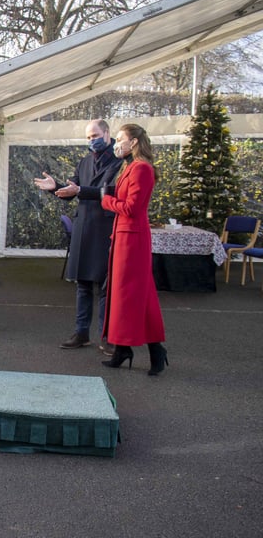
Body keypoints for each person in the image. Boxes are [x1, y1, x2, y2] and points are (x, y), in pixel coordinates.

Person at [34, 119, 122, 352]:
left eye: (95, 135)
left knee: (106, 286)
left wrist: (81, 190)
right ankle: (81, 332)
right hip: (84, 227)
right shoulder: (84, 162)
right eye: (88, 137)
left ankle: (107, 336)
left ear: (107, 133)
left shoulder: (119, 162)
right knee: (82, 284)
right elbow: (72, 191)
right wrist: (55, 187)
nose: (91, 140)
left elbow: (112, 191)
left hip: (106, 228)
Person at [98, 124, 168, 375]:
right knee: (123, 295)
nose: (117, 143)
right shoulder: (131, 167)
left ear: (135, 142)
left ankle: (152, 349)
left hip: (132, 240)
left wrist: (107, 200)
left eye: (120, 139)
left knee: (133, 296)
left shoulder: (141, 169)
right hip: (124, 238)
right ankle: (123, 348)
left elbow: (131, 208)